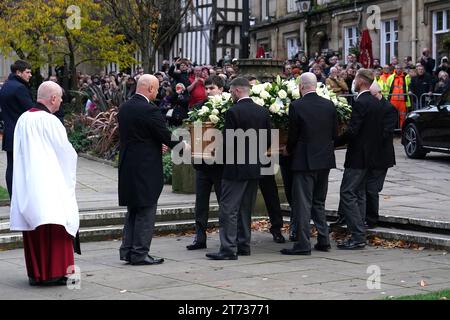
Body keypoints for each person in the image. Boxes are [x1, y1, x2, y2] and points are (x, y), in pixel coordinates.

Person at [10, 81, 79, 286]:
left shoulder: (23, 118)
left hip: (29, 182)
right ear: (53, 98)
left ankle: (37, 273)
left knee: (35, 227)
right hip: (50, 182)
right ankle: (55, 273)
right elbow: (65, 154)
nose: (61, 103)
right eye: (60, 99)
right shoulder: (51, 121)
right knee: (55, 224)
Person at [118, 74, 186, 265]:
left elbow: (140, 135)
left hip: (128, 165)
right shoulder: (150, 110)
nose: (157, 93)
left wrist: (156, 144)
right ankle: (139, 253)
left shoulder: (125, 107)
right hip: (145, 167)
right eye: (156, 89)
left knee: (133, 209)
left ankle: (128, 250)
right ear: (149, 89)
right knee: (146, 210)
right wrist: (184, 148)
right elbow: (164, 134)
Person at [205, 78, 271, 260]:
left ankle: (228, 248)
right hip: (254, 167)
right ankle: (244, 245)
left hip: (235, 168)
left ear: (235, 91)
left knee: (228, 209)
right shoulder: (263, 112)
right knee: (245, 209)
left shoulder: (233, 112)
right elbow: (267, 141)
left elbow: (228, 142)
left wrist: (218, 159)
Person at [280, 73, 337, 255]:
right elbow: (335, 133)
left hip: (304, 161)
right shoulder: (329, 105)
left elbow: (294, 134)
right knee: (318, 202)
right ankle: (324, 239)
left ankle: (303, 244)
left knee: (303, 203)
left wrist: (288, 149)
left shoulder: (297, 106)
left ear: (302, 86)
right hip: (325, 160)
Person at [334, 69, 384, 250]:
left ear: (361, 81)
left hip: (358, 156)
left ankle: (357, 235)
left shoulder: (361, 102)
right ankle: (359, 231)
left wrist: (335, 141)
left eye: (355, 79)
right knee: (359, 194)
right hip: (371, 156)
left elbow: (353, 130)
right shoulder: (376, 103)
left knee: (347, 193)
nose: (353, 82)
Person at [186, 76, 225, 250]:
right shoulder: (197, 108)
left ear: (221, 89)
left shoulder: (227, 108)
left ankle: (227, 238)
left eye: (212, 88)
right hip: (202, 164)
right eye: (207, 88)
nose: (208, 91)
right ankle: (200, 237)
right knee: (201, 203)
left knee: (224, 203)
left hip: (220, 165)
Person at [364, 81, 397, 228]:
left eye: (373, 95)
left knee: (372, 189)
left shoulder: (389, 108)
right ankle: (366, 216)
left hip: (381, 156)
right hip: (369, 155)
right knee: (365, 188)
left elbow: (386, 133)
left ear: (379, 93)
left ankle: (371, 219)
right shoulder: (372, 107)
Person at [0, 60, 34, 197]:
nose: (30, 75)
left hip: (9, 131)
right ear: (18, 72)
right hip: (21, 133)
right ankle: (21, 197)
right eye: (27, 72)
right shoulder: (20, 88)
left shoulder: (6, 86)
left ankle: (13, 196)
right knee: (23, 166)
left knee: (11, 166)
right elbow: (30, 109)